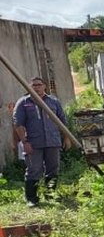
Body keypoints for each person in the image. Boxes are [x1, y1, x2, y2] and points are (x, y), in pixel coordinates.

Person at [13, 78, 66, 206]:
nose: (36, 87)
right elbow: (18, 124)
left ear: (45, 86)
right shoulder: (24, 102)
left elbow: (62, 121)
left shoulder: (53, 101)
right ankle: (32, 199)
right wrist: (25, 142)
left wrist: (67, 138)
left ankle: (50, 195)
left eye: (39, 85)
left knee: (53, 169)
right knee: (34, 169)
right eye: (33, 85)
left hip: (52, 141)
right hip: (33, 143)